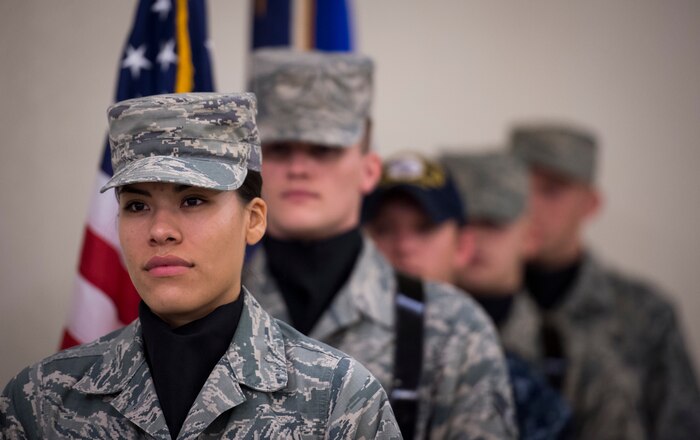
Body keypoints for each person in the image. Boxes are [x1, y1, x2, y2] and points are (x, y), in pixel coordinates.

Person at [0, 93, 401, 439]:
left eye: (193, 200)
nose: (160, 230)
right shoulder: (42, 401)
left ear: (255, 219)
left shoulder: (337, 399)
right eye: (137, 206)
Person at [243, 49, 517, 439]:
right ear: (253, 166)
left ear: (369, 170)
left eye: (324, 149)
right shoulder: (210, 312)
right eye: (280, 148)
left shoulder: (451, 330)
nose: (299, 168)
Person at [503, 122, 700, 439]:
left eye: (551, 191)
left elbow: (680, 426)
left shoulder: (644, 313)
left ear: (590, 204)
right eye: (516, 187)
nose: (529, 206)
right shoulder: (475, 306)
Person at [366, 151, 572, 439]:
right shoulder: (325, 348)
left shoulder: (507, 375)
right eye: (383, 229)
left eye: (425, 228)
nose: (404, 246)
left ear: (463, 247)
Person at [441, 150, 572, 439]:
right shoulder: (406, 334)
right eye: (463, 222)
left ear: (530, 238)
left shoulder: (568, 350)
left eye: (492, 224)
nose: (473, 238)